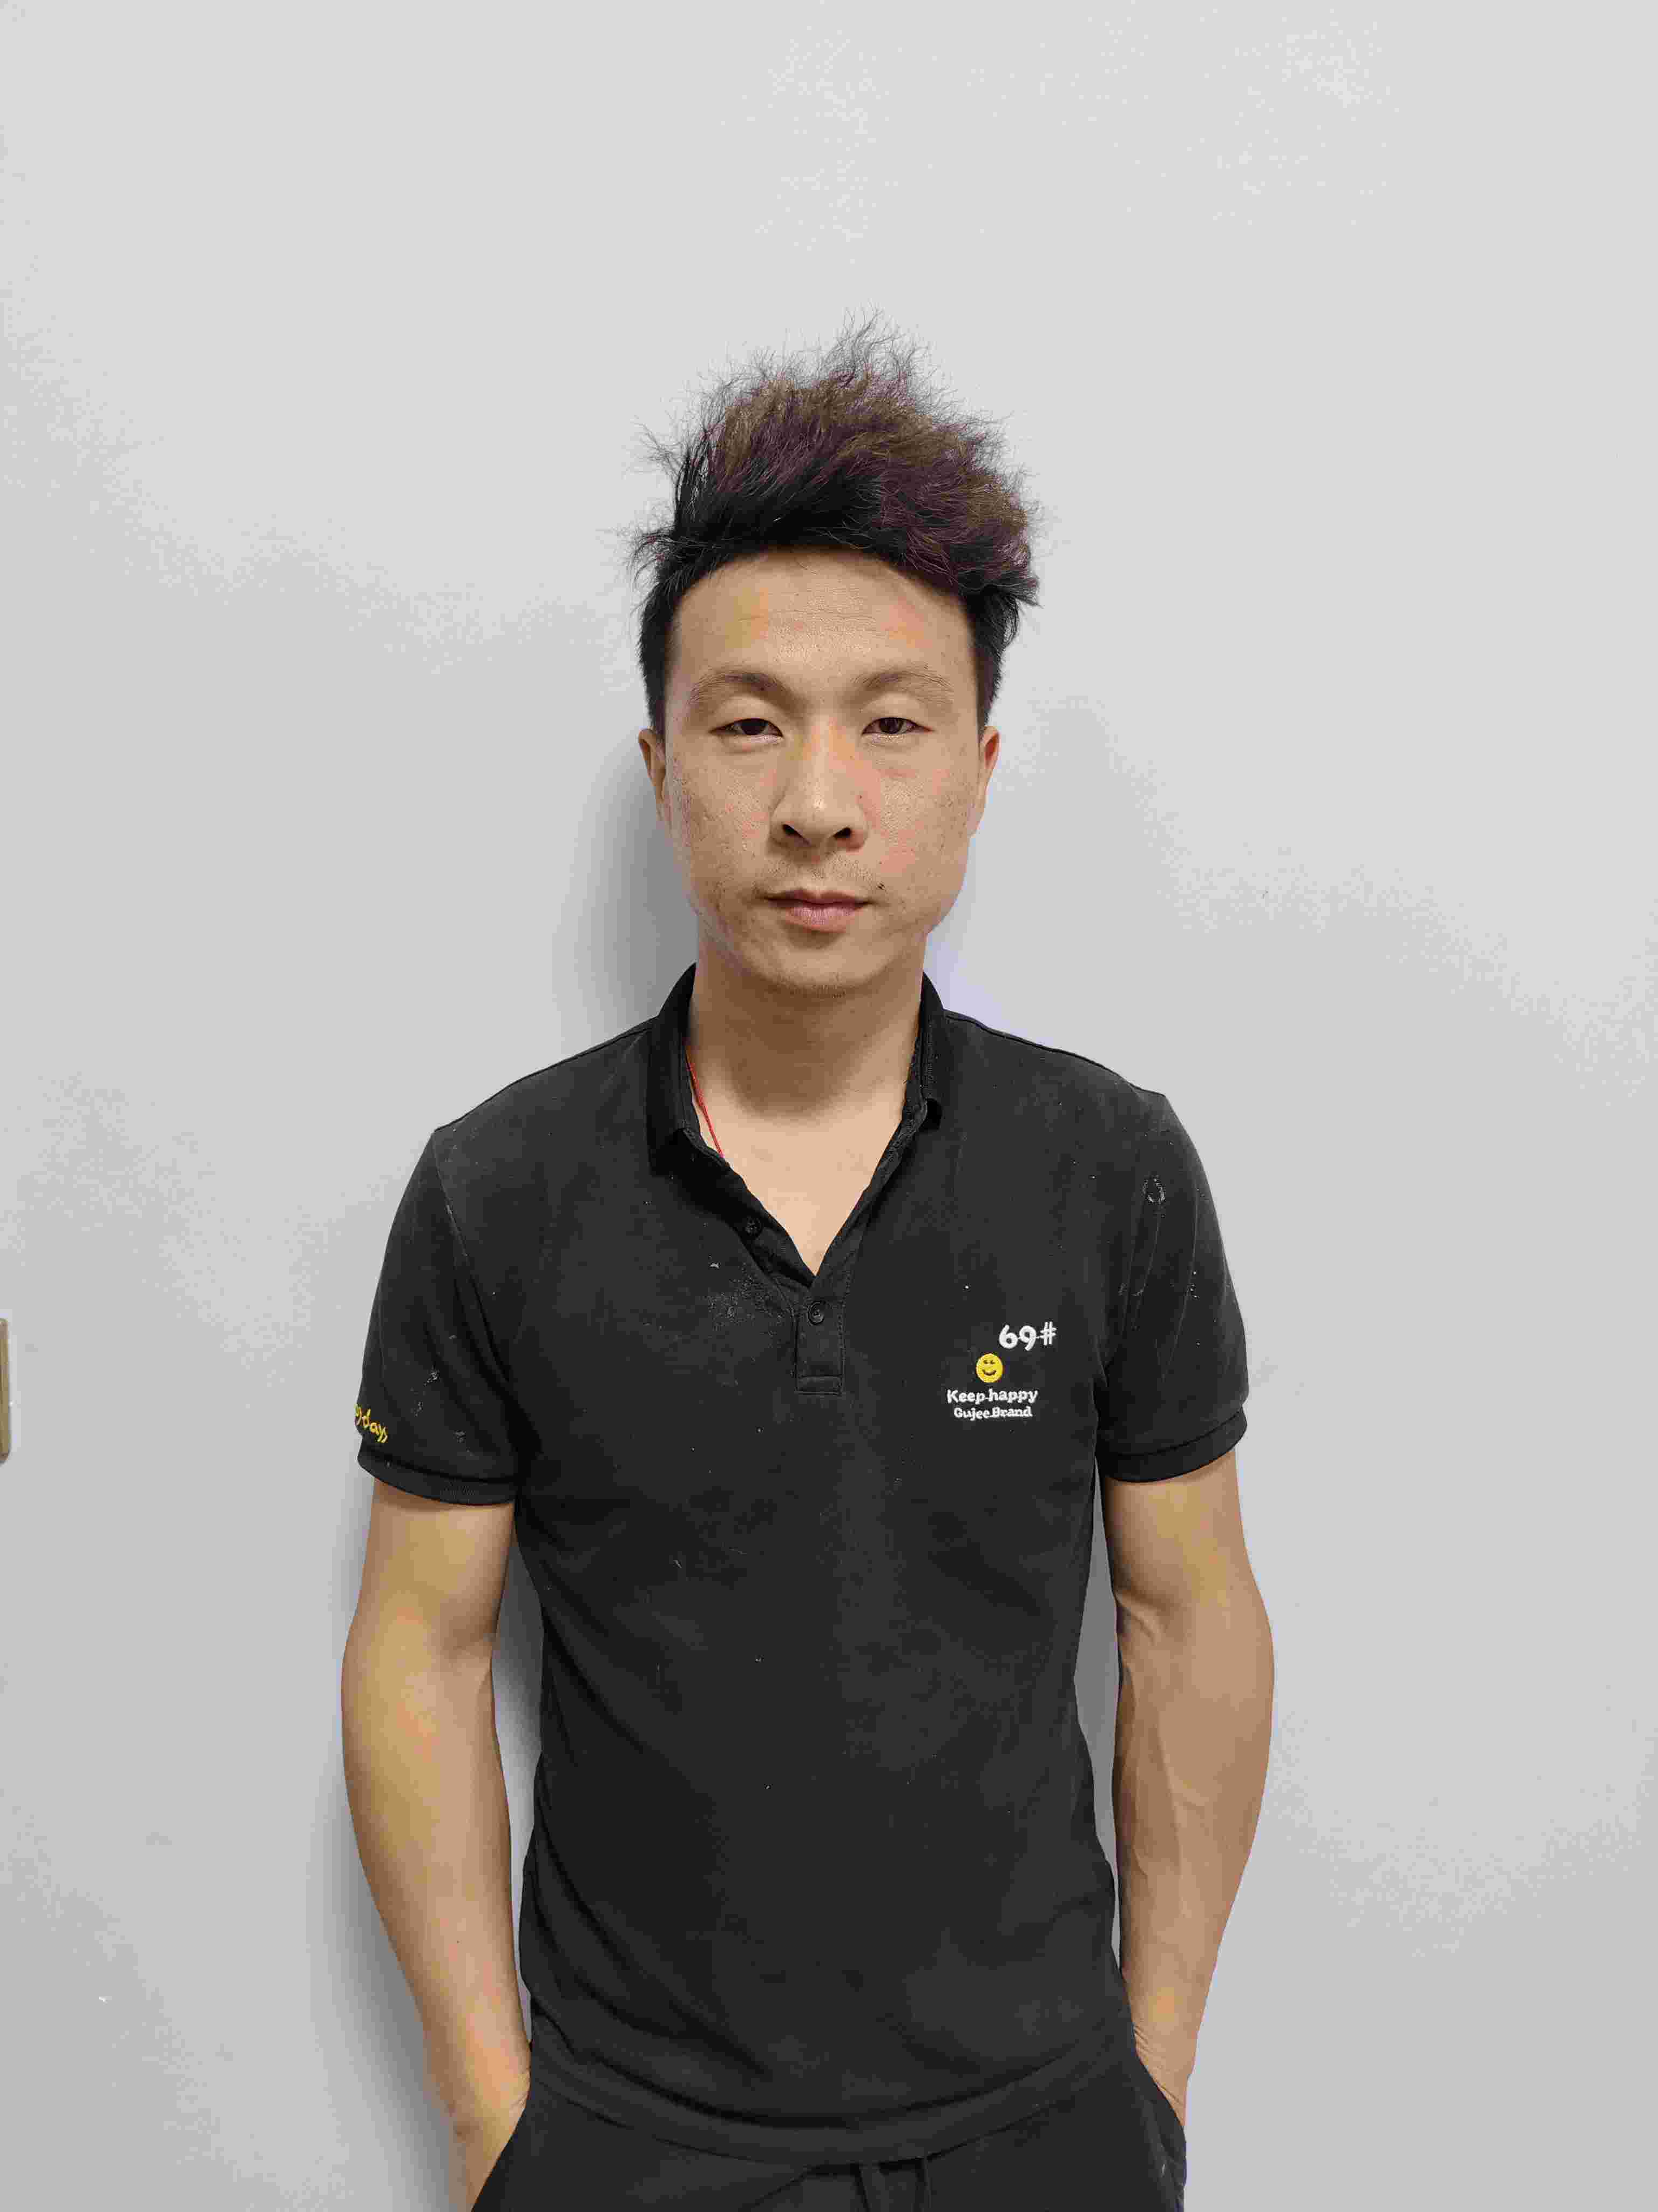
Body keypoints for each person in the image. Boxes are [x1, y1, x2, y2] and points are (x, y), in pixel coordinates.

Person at [341, 313, 1275, 2211]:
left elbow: (1189, 1619)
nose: (820, 801)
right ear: (663, 760)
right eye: (751, 722)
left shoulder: (1111, 1170)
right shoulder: (498, 1190)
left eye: (892, 724)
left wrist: (1151, 2082)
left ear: (981, 767)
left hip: (1044, 2128)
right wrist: (494, 2123)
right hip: (629, 2140)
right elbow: (419, 1649)